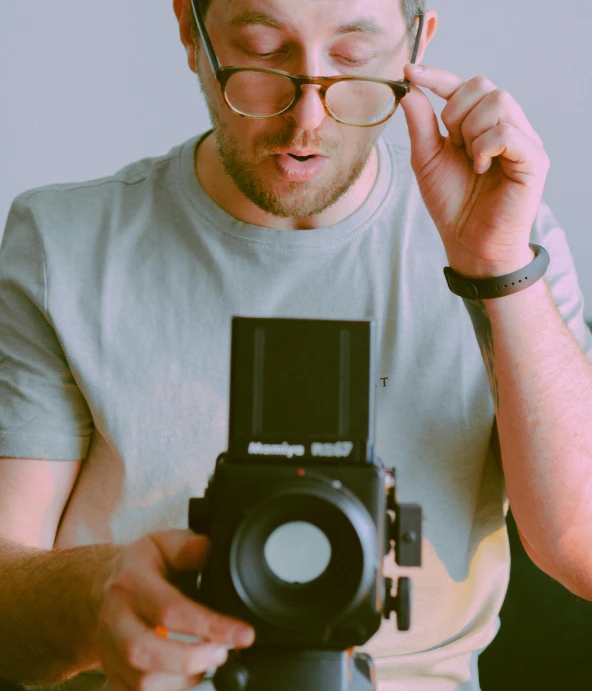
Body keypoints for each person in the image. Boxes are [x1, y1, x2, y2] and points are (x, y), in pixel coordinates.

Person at [1, 0, 591, 689]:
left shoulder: (508, 235)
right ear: (192, 35)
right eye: (262, 52)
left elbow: (580, 552)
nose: (306, 119)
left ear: (415, 46)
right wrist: (95, 595)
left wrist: (497, 267)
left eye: (351, 59)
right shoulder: (63, 246)